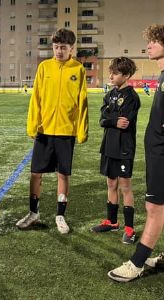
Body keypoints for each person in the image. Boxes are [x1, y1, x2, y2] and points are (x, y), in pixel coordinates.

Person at [16, 28, 88, 234]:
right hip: (44, 130)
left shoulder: (78, 69)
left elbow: (82, 102)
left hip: (67, 131)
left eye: (63, 47)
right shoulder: (44, 67)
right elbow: (36, 97)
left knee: (63, 175)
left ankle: (60, 215)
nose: (58, 51)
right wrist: (33, 124)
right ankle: (33, 213)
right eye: (56, 47)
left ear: (71, 48)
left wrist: (82, 129)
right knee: (35, 173)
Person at [108, 24, 164, 282]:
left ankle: (137, 262)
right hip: (156, 151)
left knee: (154, 207)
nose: (148, 45)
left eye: (154, 41)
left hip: (161, 153)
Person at [91, 57, 141, 245]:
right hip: (108, 146)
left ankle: (130, 229)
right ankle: (112, 222)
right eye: (111, 72)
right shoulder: (110, 94)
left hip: (124, 148)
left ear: (126, 75)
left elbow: (123, 122)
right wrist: (111, 119)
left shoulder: (131, 97)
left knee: (125, 187)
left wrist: (109, 119)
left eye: (115, 73)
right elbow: (103, 119)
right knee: (111, 184)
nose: (111, 75)